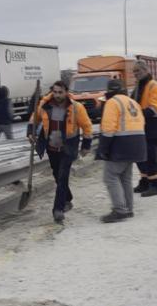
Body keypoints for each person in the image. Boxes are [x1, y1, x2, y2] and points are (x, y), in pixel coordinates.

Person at [27, 80, 93, 223]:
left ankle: (58, 209)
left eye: (60, 92)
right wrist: (30, 132)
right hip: (51, 148)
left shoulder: (76, 107)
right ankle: (67, 198)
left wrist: (86, 145)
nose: (57, 95)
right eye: (55, 92)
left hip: (68, 148)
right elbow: (35, 118)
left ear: (66, 92)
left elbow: (87, 126)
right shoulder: (45, 104)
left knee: (63, 177)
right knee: (57, 175)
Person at [96, 80, 147, 223]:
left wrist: (103, 148)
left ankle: (119, 210)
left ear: (109, 91)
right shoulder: (132, 102)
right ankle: (128, 208)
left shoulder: (112, 102)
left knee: (110, 177)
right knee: (125, 178)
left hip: (121, 144)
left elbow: (108, 128)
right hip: (138, 142)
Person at [131, 60, 157, 197]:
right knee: (141, 156)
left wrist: (137, 115)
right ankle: (145, 181)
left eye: (138, 71)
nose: (135, 74)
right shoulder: (139, 86)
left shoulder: (153, 86)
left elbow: (154, 108)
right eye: (134, 71)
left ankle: (155, 184)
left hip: (154, 126)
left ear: (146, 70)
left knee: (151, 156)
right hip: (142, 127)